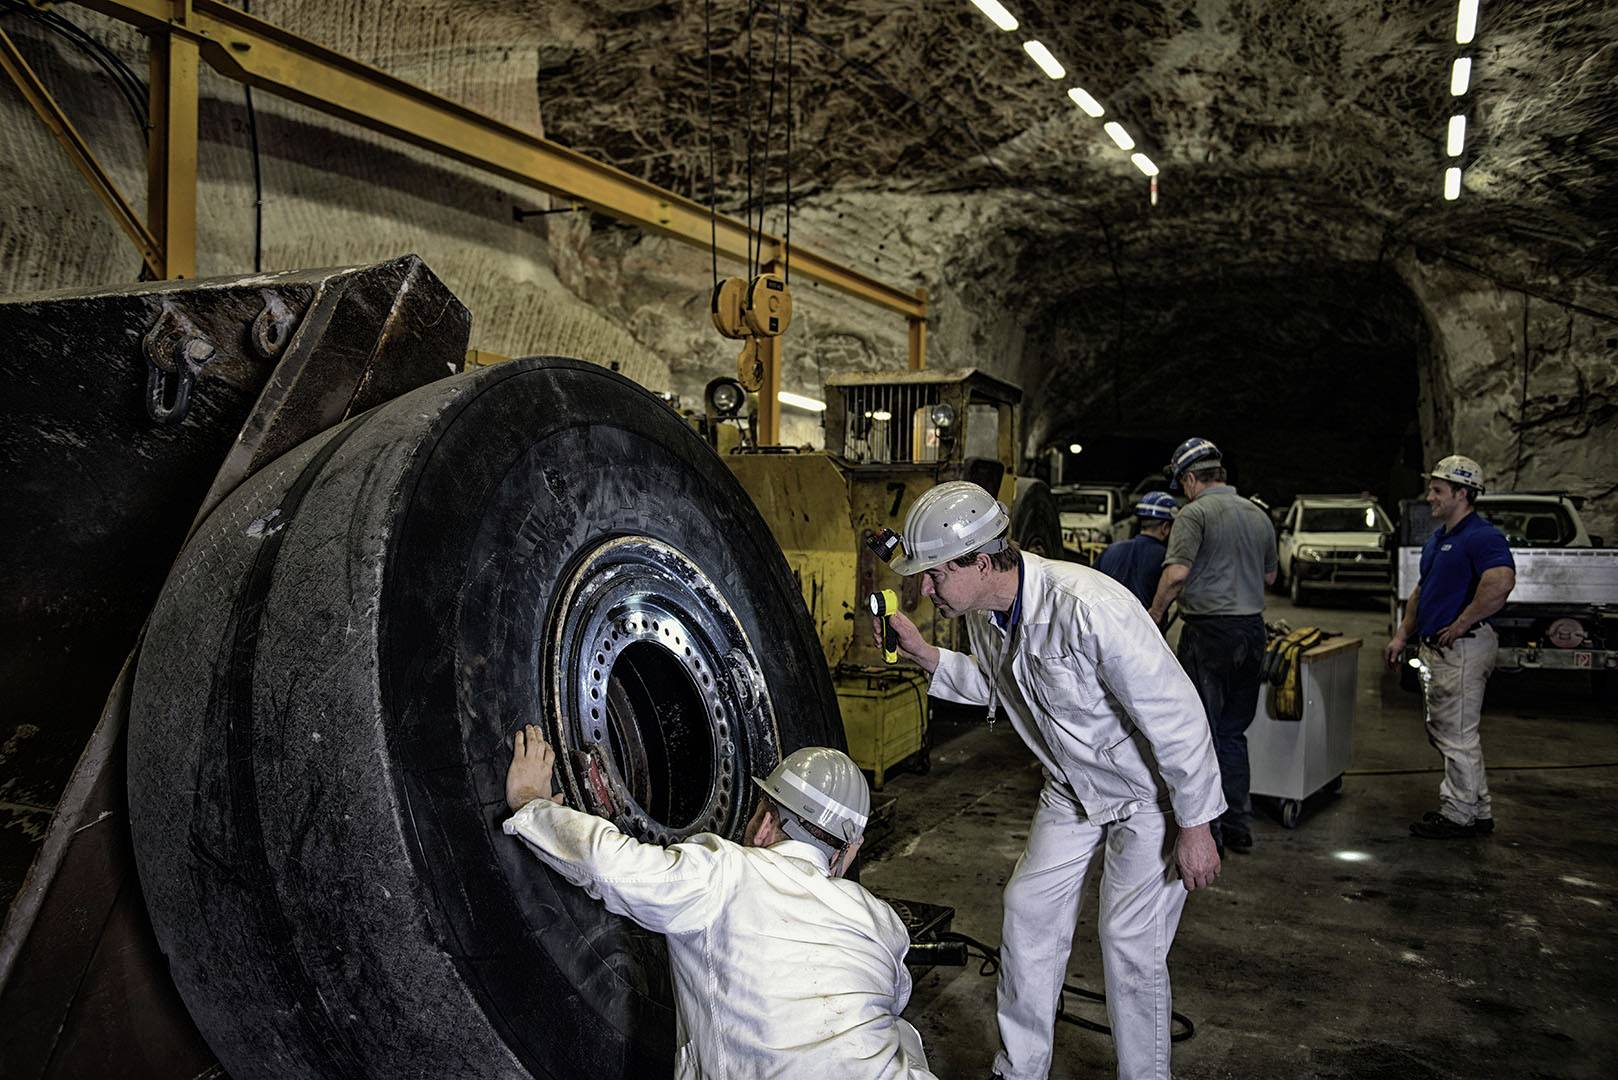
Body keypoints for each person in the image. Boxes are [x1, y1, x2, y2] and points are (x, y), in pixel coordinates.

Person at [874, 480, 1223, 1080]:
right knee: (1028, 909)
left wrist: (1196, 824)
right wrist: (926, 656)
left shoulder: (1087, 605)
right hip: (1070, 788)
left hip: (1147, 798)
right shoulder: (985, 613)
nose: (925, 590)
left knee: (1129, 945)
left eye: (933, 575)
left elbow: (1177, 714)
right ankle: (1021, 1069)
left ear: (981, 561)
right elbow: (1001, 689)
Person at [503, 727, 938, 1079]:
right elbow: (891, 1001)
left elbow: (610, 864)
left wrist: (530, 804)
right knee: (901, 1033)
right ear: (846, 852)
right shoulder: (882, 922)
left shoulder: (724, 873)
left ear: (766, 823)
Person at [1147, 437, 1277, 856]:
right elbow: (1271, 578)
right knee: (1233, 733)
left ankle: (1209, 832)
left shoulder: (1194, 513)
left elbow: (1177, 573)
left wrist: (1154, 614)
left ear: (1189, 479)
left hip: (1209, 635)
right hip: (1252, 633)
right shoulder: (1259, 515)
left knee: (1199, 734)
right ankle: (1238, 825)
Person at [1383, 454, 1516, 839]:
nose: (1430, 497)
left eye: (1438, 490)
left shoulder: (1481, 536)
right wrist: (1401, 634)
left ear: (1462, 493)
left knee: (1455, 733)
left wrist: (1461, 623)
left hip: (1462, 649)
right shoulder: (1440, 539)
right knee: (1451, 730)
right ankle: (1478, 808)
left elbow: (1501, 582)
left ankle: (1459, 814)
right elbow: (1422, 592)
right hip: (1441, 650)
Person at [1095, 491, 1178, 607]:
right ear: (1165, 527)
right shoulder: (1166, 558)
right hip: (1144, 623)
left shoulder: (1111, 550)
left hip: (1106, 621)